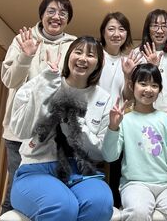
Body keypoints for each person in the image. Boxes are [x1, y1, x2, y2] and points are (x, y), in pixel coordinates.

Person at [9, 36, 114, 221]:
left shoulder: (104, 98)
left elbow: (100, 153)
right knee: (61, 206)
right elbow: (20, 130)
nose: (83, 58)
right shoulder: (44, 80)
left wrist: (72, 121)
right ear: (68, 56)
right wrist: (47, 84)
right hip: (36, 167)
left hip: (79, 170)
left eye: (90, 55)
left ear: (99, 63)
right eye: (78, 52)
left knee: (100, 203)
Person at [0, 0, 77, 215]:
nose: (56, 17)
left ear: (68, 19)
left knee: (50, 192)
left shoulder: (73, 44)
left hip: (54, 134)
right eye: (51, 11)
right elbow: (9, 80)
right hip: (20, 130)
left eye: (63, 13)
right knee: (16, 188)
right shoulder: (23, 39)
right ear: (41, 14)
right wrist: (25, 56)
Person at [102, 63, 167, 221]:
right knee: (138, 212)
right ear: (132, 86)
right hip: (135, 184)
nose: (149, 89)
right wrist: (113, 127)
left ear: (160, 89)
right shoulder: (124, 120)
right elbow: (110, 156)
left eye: (154, 85)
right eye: (143, 84)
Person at [98, 11, 142, 207]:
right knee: (93, 166)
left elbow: (129, 97)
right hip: (94, 119)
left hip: (117, 120)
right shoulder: (95, 55)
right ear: (103, 32)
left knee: (116, 164)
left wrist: (128, 75)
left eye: (122, 29)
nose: (116, 34)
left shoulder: (128, 60)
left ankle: (115, 206)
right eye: (111, 29)